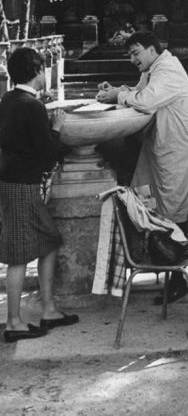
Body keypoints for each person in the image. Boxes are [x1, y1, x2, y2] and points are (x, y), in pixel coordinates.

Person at [96, 31, 188, 301]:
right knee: (154, 207)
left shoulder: (169, 71)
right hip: (159, 148)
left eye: (136, 52)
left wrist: (119, 95)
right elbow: (141, 93)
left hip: (174, 151)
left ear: (153, 49)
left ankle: (179, 278)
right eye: (129, 54)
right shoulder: (154, 69)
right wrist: (119, 92)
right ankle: (166, 270)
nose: (132, 59)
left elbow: (146, 101)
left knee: (174, 213)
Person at [0, 47, 79, 343]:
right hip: (21, 185)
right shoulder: (31, 106)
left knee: (49, 240)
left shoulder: (8, 99)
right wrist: (57, 128)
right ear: (37, 71)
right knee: (19, 255)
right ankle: (14, 323)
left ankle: (49, 309)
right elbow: (48, 157)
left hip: (11, 182)